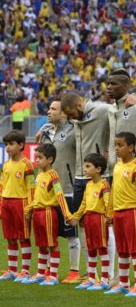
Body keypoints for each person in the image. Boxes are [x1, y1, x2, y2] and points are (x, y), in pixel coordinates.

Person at [61, 91, 112, 282]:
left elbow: (120, 114)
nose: (71, 118)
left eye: (71, 114)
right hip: (79, 178)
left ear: (80, 105)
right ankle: (92, 275)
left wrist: (134, 101)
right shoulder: (75, 121)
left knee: (106, 225)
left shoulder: (101, 110)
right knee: (83, 225)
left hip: (99, 175)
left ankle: (110, 276)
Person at [37, 98, 84, 284]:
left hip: (68, 189)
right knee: (51, 234)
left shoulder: (74, 130)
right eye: (48, 108)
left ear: (63, 112)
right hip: (49, 194)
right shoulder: (47, 132)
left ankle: (74, 271)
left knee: (71, 233)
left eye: (53, 108)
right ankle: (49, 271)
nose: (49, 111)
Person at [104, 132, 136, 297]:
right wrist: (109, 212)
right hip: (118, 213)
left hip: (132, 212)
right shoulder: (117, 166)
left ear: (131, 147)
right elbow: (113, 190)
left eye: (120, 145)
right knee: (122, 250)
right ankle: (123, 283)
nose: (116, 148)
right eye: (115, 144)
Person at [21, 143, 72, 286]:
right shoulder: (39, 174)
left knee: (52, 244)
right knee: (42, 245)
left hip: (48, 213)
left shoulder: (53, 175)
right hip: (37, 213)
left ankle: (53, 275)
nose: (37, 161)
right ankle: (41, 273)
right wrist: (29, 208)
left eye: (40, 158)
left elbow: (60, 195)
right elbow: (37, 196)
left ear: (50, 160)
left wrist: (67, 213)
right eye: (36, 158)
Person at [69, 153, 112, 291]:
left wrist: (108, 216)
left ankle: (105, 279)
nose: (85, 169)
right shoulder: (88, 185)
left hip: (99, 219)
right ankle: (92, 279)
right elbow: (83, 204)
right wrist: (76, 216)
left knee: (102, 248)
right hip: (88, 219)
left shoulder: (104, 185)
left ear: (98, 169)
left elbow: (107, 202)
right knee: (91, 249)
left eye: (88, 166)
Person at [0, 130, 35, 282]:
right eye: (6, 144)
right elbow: (3, 185)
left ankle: (25, 270)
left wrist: (30, 205)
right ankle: (12, 270)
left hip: (21, 203)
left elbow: (31, 187)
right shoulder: (6, 165)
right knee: (10, 237)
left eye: (11, 144)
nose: (8, 147)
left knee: (24, 237)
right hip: (6, 202)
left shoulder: (27, 165)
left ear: (21, 145)